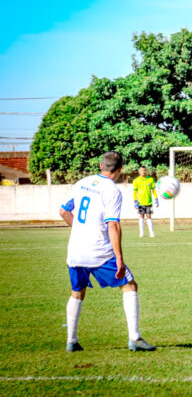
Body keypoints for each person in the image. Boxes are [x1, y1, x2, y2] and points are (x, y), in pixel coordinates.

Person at [59, 151, 156, 352]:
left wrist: (80, 230)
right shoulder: (112, 190)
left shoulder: (82, 183)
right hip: (99, 252)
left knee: (77, 291)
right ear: (120, 169)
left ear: (101, 166)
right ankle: (135, 339)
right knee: (129, 285)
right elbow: (112, 225)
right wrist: (119, 258)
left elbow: (63, 211)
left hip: (75, 250)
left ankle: (71, 341)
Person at [132, 166, 158, 238]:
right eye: (141, 170)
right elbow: (134, 192)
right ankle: (141, 233)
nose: (143, 171)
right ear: (139, 171)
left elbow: (153, 190)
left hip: (148, 201)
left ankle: (151, 233)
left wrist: (156, 199)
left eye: (144, 170)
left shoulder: (150, 179)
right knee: (141, 216)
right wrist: (135, 201)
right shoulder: (136, 180)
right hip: (140, 202)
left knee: (149, 216)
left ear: (146, 171)